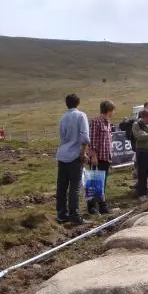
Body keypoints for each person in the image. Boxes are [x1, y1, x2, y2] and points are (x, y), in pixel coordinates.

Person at [55, 94, 90, 225]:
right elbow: (85, 137)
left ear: (66, 104)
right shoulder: (81, 116)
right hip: (75, 154)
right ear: (78, 102)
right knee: (74, 186)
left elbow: (62, 136)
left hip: (62, 153)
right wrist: (83, 152)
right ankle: (74, 215)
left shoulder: (63, 117)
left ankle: (61, 214)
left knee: (62, 186)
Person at [88, 100, 116, 216]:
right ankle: (92, 207)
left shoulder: (108, 123)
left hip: (105, 157)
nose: (113, 112)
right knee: (94, 182)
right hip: (97, 157)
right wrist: (93, 155)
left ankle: (102, 206)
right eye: (113, 110)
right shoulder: (96, 122)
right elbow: (92, 140)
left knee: (102, 183)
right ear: (109, 110)